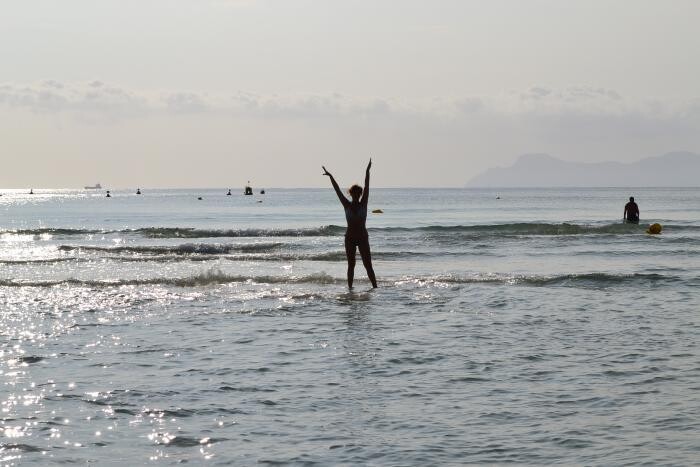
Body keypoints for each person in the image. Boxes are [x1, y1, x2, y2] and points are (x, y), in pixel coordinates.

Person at [323, 159, 378, 289]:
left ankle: (375, 288)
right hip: (350, 238)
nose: (356, 195)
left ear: (360, 194)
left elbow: (367, 185)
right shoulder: (346, 204)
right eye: (354, 193)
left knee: (368, 265)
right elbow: (337, 190)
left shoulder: (363, 203)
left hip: (363, 237)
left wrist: (367, 171)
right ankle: (350, 289)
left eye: (358, 193)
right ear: (351, 193)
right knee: (351, 265)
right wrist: (331, 176)